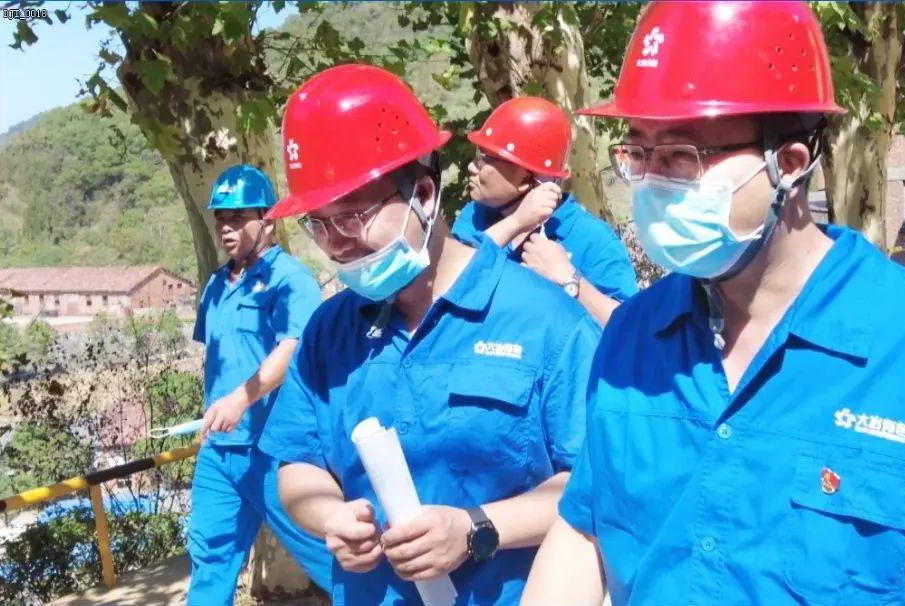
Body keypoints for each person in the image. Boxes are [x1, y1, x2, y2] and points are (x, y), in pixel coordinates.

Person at [521, 3, 905, 605]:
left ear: (787, 164)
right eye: (638, 154)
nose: (655, 183)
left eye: (682, 156)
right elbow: (585, 529)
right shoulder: (634, 335)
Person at [256, 64, 600, 606]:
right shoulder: (328, 331)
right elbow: (299, 465)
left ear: (422, 192)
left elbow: (592, 485)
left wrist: (475, 528)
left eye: (352, 217)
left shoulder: (546, 322)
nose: (336, 243)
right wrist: (331, 515)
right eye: (318, 224)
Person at [188, 164, 332, 604]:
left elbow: (293, 349)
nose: (226, 229)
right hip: (220, 452)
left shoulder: (291, 280)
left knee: (330, 555)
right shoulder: (216, 285)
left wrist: (241, 398)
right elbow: (218, 359)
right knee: (209, 559)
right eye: (221, 220)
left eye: (238, 218)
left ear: (267, 220)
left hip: (277, 451)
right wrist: (217, 409)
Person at [453, 96, 638, 325]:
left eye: (485, 160)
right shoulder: (474, 216)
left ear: (525, 177)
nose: (471, 167)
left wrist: (570, 280)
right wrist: (515, 223)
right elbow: (449, 281)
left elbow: (630, 326)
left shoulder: (591, 237)